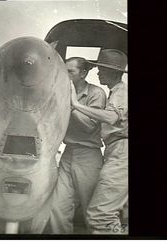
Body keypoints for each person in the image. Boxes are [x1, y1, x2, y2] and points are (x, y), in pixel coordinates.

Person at [70, 49, 128, 234]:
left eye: (102, 69)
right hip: (115, 151)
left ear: (114, 72)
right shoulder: (115, 92)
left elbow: (111, 118)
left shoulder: (121, 91)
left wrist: (76, 105)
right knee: (103, 214)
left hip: (121, 151)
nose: (98, 72)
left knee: (99, 215)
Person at [49, 57, 107, 234]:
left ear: (83, 73)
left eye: (70, 72)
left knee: (92, 210)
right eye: (64, 71)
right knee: (58, 207)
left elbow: (90, 126)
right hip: (68, 154)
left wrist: (72, 104)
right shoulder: (59, 92)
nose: (65, 76)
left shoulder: (96, 93)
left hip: (89, 156)